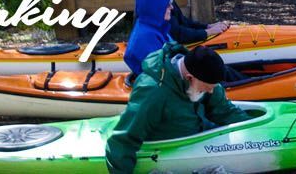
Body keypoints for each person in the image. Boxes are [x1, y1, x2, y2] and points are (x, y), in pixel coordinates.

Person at [106, 44, 252, 173]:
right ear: (189, 78)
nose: (211, 92)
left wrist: (251, 127)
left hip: (201, 136)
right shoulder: (153, 92)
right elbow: (123, 140)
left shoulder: (202, 75)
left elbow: (224, 110)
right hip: (169, 146)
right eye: (208, 88)